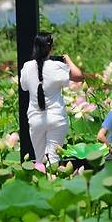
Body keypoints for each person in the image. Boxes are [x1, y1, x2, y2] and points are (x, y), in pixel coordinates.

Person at [20, 32, 83, 164]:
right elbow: (78, 76)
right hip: (56, 119)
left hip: (35, 119)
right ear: (51, 48)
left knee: (39, 161)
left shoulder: (27, 67)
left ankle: (42, 182)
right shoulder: (57, 66)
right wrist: (68, 59)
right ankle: (53, 183)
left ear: (35, 47)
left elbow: (24, 86)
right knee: (53, 161)